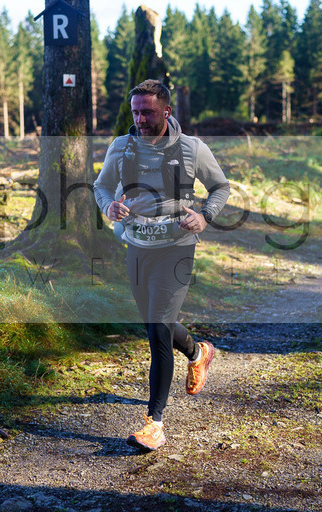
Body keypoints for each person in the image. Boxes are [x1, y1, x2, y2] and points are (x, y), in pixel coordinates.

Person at [93, 79, 230, 451]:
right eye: (135, 111)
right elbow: (100, 186)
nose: (139, 118)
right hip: (137, 248)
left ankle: (154, 423)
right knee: (159, 324)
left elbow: (221, 188)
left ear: (166, 111)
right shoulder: (121, 148)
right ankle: (200, 353)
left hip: (177, 248)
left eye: (147, 112)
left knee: (157, 332)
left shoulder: (191, 149)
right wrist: (108, 205)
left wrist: (205, 216)